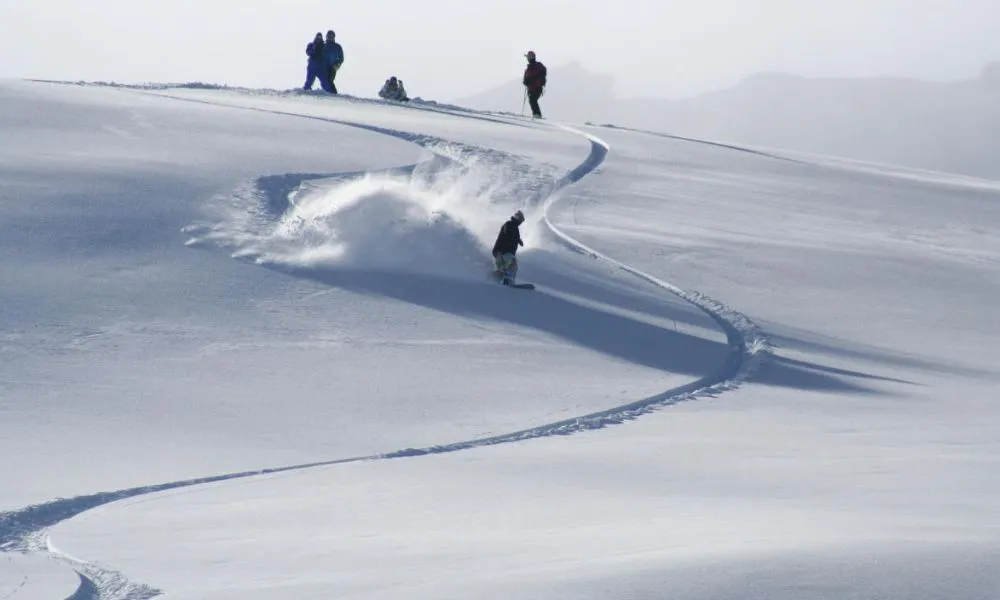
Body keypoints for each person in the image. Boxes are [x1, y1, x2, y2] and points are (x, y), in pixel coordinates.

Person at [492, 210, 525, 285]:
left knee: (503, 269)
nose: (521, 223)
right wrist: (517, 239)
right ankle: (508, 280)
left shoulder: (514, 227)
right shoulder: (509, 224)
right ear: (517, 218)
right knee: (513, 265)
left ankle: (492, 279)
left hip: (502, 252)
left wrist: (519, 241)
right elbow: (507, 233)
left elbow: (513, 235)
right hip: (503, 251)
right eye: (521, 221)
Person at [522, 50, 547, 118]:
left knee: (532, 100)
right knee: (532, 100)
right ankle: (536, 114)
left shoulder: (535, 66)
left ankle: (537, 114)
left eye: (528, 57)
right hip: (533, 87)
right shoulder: (531, 67)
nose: (527, 58)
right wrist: (525, 81)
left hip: (536, 87)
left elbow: (535, 75)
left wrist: (529, 80)